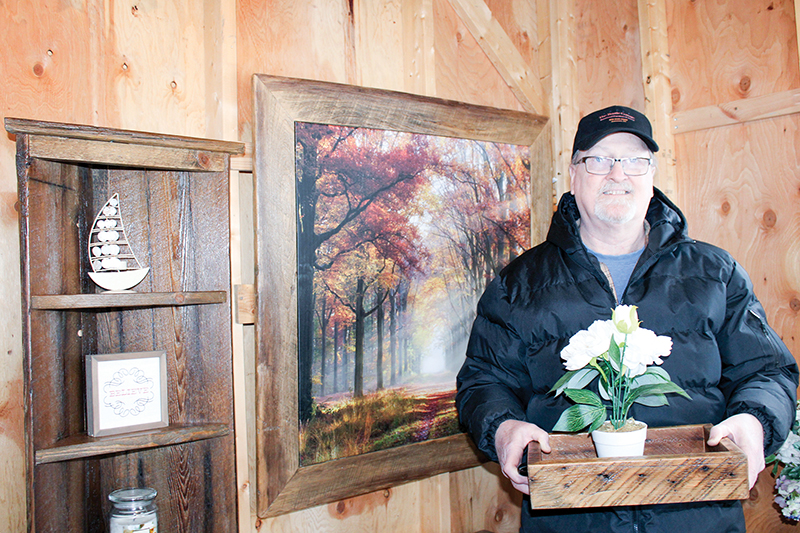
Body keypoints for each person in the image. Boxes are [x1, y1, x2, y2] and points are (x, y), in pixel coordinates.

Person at [455, 105, 799, 532]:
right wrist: (503, 427)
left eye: (635, 160)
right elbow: (483, 381)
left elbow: (767, 370)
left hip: (698, 518)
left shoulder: (716, 273)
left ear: (651, 175)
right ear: (574, 174)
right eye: (598, 159)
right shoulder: (518, 284)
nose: (618, 174)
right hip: (572, 520)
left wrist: (754, 421)